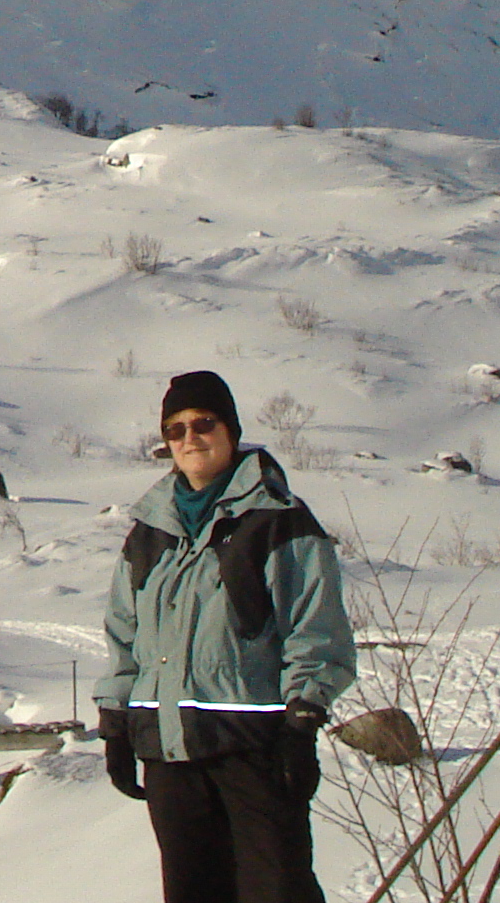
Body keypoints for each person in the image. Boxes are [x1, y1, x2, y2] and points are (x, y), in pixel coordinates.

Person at [96, 369, 356, 903]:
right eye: (175, 429)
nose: (190, 438)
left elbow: (315, 630)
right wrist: (116, 722)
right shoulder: (149, 532)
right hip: (170, 756)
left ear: (231, 430)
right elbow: (124, 635)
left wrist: (302, 724)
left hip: (253, 752)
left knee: (276, 892)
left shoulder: (279, 521)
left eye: (204, 423)